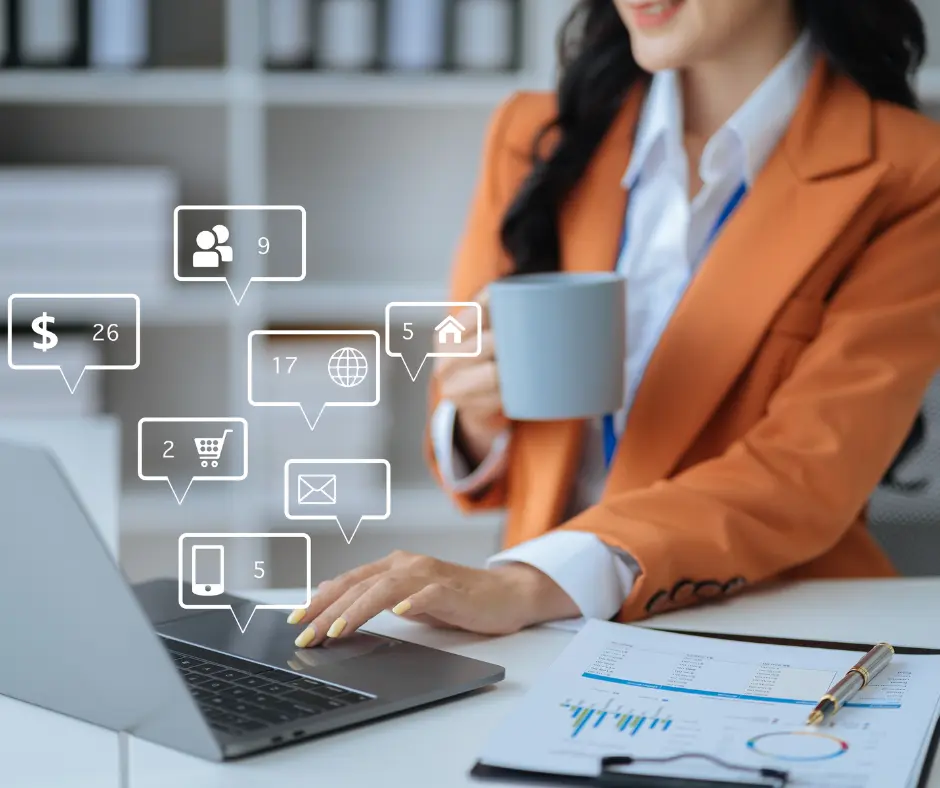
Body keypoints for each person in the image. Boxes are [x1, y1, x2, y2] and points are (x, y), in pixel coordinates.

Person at [288, 0, 940, 648]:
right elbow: (472, 427)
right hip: (540, 632)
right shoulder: (536, 133)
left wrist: (529, 582)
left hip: (773, 626)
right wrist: (478, 417)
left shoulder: (912, 175)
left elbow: (804, 471)